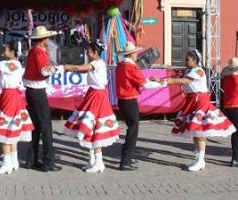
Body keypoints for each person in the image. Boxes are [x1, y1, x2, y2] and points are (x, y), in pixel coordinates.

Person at [157, 50, 236, 171]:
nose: (185, 61)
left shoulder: (198, 71)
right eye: (185, 59)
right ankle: (198, 158)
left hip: (200, 102)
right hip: (192, 102)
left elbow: (184, 81)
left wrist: (169, 81)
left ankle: (201, 160)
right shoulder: (188, 71)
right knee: (194, 131)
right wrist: (159, 80)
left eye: (188, 60)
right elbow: (177, 78)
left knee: (199, 131)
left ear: (195, 61)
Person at [62, 42, 120, 173]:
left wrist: (67, 67)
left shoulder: (97, 63)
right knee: (90, 126)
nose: (87, 53)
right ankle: (93, 159)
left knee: (94, 126)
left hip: (97, 97)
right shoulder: (97, 64)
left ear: (95, 52)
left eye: (89, 51)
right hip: (93, 94)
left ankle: (99, 162)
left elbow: (82, 68)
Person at [0, 42, 34, 175]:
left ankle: (7, 164)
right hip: (14, 96)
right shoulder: (18, 64)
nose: (3, 52)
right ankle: (14, 161)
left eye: (5, 50)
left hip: (9, 97)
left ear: (12, 51)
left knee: (4, 131)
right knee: (12, 129)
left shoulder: (5, 64)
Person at [115, 41, 166, 171]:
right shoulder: (131, 68)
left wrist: (151, 81)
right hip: (129, 100)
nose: (137, 55)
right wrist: (162, 83)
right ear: (132, 55)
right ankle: (125, 161)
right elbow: (145, 85)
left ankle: (128, 157)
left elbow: (140, 81)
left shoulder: (120, 66)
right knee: (133, 130)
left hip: (122, 100)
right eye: (136, 53)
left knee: (132, 128)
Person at [23, 26, 62, 172]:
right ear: (43, 39)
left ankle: (31, 160)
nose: (49, 40)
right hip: (38, 91)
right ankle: (48, 162)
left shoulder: (33, 51)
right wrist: (57, 68)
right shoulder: (39, 52)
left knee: (37, 126)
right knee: (46, 126)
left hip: (31, 90)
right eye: (47, 38)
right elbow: (44, 71)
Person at [221, 57, 238, 167]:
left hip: (228, 107)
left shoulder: (226, 79)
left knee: (235, 133)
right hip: (237, 106)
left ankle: (235, 158)